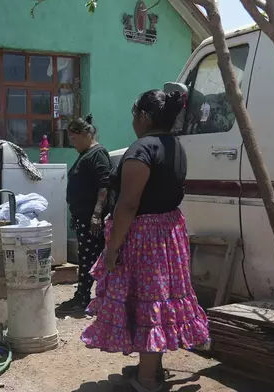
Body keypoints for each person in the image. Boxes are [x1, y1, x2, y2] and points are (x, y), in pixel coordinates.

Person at [80, 90, 209, 392]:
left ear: (145, 117)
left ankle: (147, 381)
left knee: (149, 303)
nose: (133, 120)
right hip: (168, 232)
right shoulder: (175, 146)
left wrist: (112, 249)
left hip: (144, 238)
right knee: (157, 301)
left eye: (134, 113)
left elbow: (128, 204)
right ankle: (152, 369)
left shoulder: (142, 148)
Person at [58, 114, 112, 314]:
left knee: (90, 260)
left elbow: (104, 186)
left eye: (74, 139)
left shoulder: (98, 154)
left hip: (93, 220)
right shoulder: (85, 154)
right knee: (85, 259)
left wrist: (97, 215)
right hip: (84, 218)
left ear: (86, 134)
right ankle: (82, 297)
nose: (72, 144)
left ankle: (86, 300)